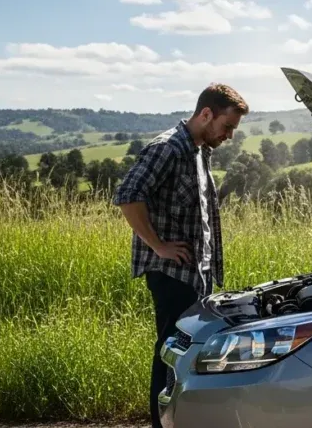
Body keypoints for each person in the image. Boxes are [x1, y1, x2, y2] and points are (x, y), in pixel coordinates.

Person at [111, 83, 249, 427]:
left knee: (189, 353)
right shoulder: (168, 148)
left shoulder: (200, 150)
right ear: (206, 114)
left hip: (196, 274)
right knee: (171, 354)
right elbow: (128, 195)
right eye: (227, 126)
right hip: (172, 274)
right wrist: (157, 246)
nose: (230, 135)